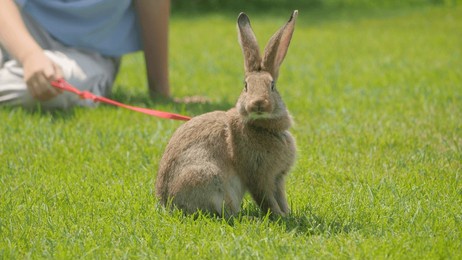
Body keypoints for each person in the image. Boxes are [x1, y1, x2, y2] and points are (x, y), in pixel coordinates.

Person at [0, 0, 171, 109]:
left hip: (91, 52)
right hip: (21, 27)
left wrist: (160, 91)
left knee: (49, 89)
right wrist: (29, 54)